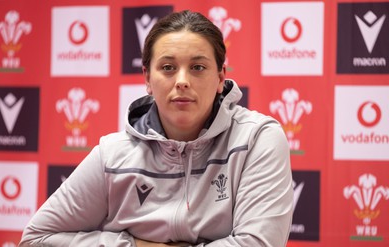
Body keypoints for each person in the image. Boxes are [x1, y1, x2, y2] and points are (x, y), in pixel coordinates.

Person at [19, 10, 293, 247]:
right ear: (148, 79)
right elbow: (36, 238)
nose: (182, 80)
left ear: (221, 77)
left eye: (198, 67)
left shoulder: (257, 139)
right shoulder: (113, 155)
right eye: (168, 67)